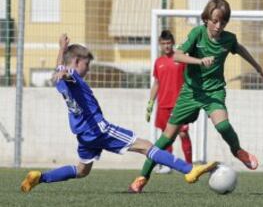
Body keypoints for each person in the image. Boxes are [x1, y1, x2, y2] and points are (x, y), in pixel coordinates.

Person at [20, 34, 217, 193]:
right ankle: (190, 170)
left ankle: (40, 178)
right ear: (77, 61)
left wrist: (62, 50)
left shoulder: (61, 82)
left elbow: (59, 70)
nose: (87, 69)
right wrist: (65, 69)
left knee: (81, 171)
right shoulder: (73, 78)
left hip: (84, 134)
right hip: (99, 129)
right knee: (146, 146)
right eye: (86, 64)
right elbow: (66, 72)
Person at [129, 0, 263, 193]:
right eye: (215, 21)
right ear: (206, 19)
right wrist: (199, 61)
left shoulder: (229, 39)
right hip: (190, 92)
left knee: (223, 125)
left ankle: (237, 150)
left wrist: (259, 68)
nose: (218, 26)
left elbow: (240, 49)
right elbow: (177, 55)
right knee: (167, 138)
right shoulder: (197, 33)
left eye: (223, 22)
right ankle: (142, 177)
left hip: (214, 91)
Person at [146, 30, 192, 174]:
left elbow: (189, 79)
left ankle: (190, 165)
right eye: (164, 43)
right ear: (160, 44)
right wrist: (150, 103)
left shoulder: (180, 59)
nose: (166, 46)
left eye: (168, 43)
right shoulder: (158, 62)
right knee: (166, 136)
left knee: (183, 134)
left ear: (173, 43)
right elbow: (157, 83)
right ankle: (168, 165)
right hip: (163, 105)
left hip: (179, 105)